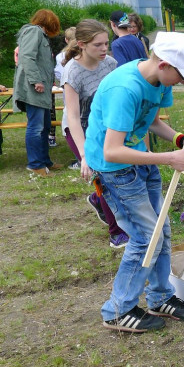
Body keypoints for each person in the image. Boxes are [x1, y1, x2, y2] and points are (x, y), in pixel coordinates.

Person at [84, 31, 184, 333]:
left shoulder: (159, 81)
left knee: (162, 231)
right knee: (145, 239)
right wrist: (170, 158)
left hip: (141, 159)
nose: (182, 82)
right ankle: (118, 310)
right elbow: (112, 150)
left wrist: (182, 140)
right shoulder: (125, 88)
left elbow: (152, 122)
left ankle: (159, 297)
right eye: (181, 75)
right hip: (116, 170)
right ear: (165, 64)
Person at [61, 19, 129, 248]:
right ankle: (116, 232)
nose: (104, 49)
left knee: (116, 175)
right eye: (97, 45)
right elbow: (72, 116)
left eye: (106, 44)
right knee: (101, 178)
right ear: (81, 44)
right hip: (79, 129)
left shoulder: (109, 63)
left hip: (104, 127)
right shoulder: (72, 72)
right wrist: (84, 156)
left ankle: (97, 200)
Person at [13, 9, 62, 177]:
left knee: (45, 126)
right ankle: (35, 164)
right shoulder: (33, 31)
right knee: (36, 127)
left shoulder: (41, 35)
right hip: (33, 88)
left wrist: (49, 80)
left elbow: (42, 62)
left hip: (41, 89)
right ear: (49, 23)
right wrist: (36, 81)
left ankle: (44, 161)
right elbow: (27, 57)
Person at [54, 26, 76, 154]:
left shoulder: (60, 56)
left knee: (69, 122)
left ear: (66, 40)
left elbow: (59, 75)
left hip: (68, 93)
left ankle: (80, 154)